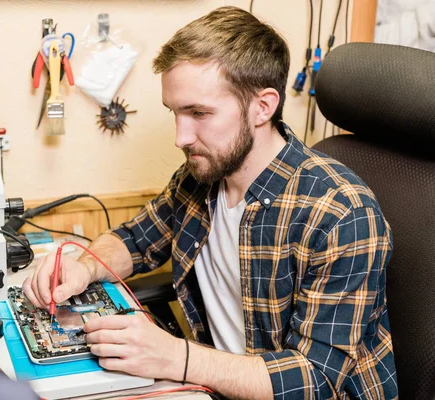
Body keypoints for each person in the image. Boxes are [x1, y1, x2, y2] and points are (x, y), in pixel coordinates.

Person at [23, 6, 398, 399]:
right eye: (175, 113)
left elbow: (315, 381)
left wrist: (176, 357)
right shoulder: (202, 175)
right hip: (215, 384)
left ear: (263, 107)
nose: (181, 138)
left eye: (199, 113)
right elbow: (135, 241)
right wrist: (83, 268)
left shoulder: (342, 214)